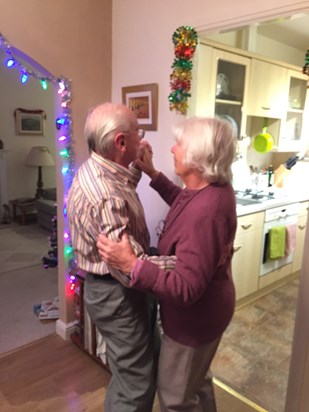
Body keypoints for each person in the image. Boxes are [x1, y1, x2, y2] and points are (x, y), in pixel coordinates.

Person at [97, 116, 237, 412]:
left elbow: (186, 288)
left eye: (180, 145)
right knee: (195, 383)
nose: (172, 149)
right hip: (211, 312)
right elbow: (185, 203)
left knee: (175, 397)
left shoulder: (206, 214)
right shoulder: (212, 189)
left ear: (199, 157)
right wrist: (151, 172)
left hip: (194, 323)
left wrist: (133, 264)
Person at [67, 102, 161, 412]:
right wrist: (186, 265)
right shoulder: (105, 195)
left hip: (107, 289)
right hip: (117, 293)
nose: (141, 138)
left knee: (128, 373)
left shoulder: (97, 169)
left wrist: (138, 165)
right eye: (138, 133)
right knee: (137, 383)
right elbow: (128, 269)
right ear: (121, 142)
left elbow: (120, 189)